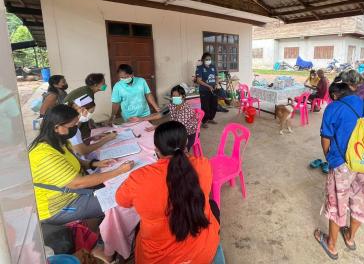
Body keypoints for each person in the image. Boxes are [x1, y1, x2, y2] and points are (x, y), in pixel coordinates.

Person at [28, 105, 134, 261]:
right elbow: (78, 183)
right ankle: (106, 247)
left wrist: (96, 164)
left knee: (116, 189)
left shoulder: (59, 141)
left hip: (75, 193)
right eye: (72, 126)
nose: (75, 128)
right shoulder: (43, 154)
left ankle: (103, 235)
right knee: (118, 201)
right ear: (57, 127)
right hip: (60, 207)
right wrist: (120, 171)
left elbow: (76, 162)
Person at [116, 121, 220, 264]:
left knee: (138, 227)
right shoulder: (203, 164)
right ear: (185, 146)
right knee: (212, 205)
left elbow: (121, 200)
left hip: (157, 260)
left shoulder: (139, 177)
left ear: (157, 150)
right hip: (202, 254)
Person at [314, 78, 364, 260]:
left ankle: (331, 245)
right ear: (352, 90)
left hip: (343, 165)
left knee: (338, 202)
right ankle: (350, 238)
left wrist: (330, 158)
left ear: (335, 95)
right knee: (362, 201)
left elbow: (326, 138)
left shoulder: (334, 108)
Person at [130, 85, 199, 151]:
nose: (174, 98)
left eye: (176, 96)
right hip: (176, 130)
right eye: (173, 96)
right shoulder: (173, 105)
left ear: (183, 96)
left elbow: (176, 127)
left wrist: (157, 126)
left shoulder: (187, 109)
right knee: (159, 139)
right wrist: (140, 119)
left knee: (165, 143)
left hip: (187, 135)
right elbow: (159, 114)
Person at [195, 53, 219, 128]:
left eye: (209, 59)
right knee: (205, 106)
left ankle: (211, 118)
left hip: (213, 89)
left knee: (214, 105)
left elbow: (217, 76)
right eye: (206, 59)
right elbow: (199, 80)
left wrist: (216, 83)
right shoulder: (200, 68)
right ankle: (204, 121)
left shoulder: (213, 67)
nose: (208, 60)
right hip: (204, 90)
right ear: (203, 60)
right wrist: (208, 86)